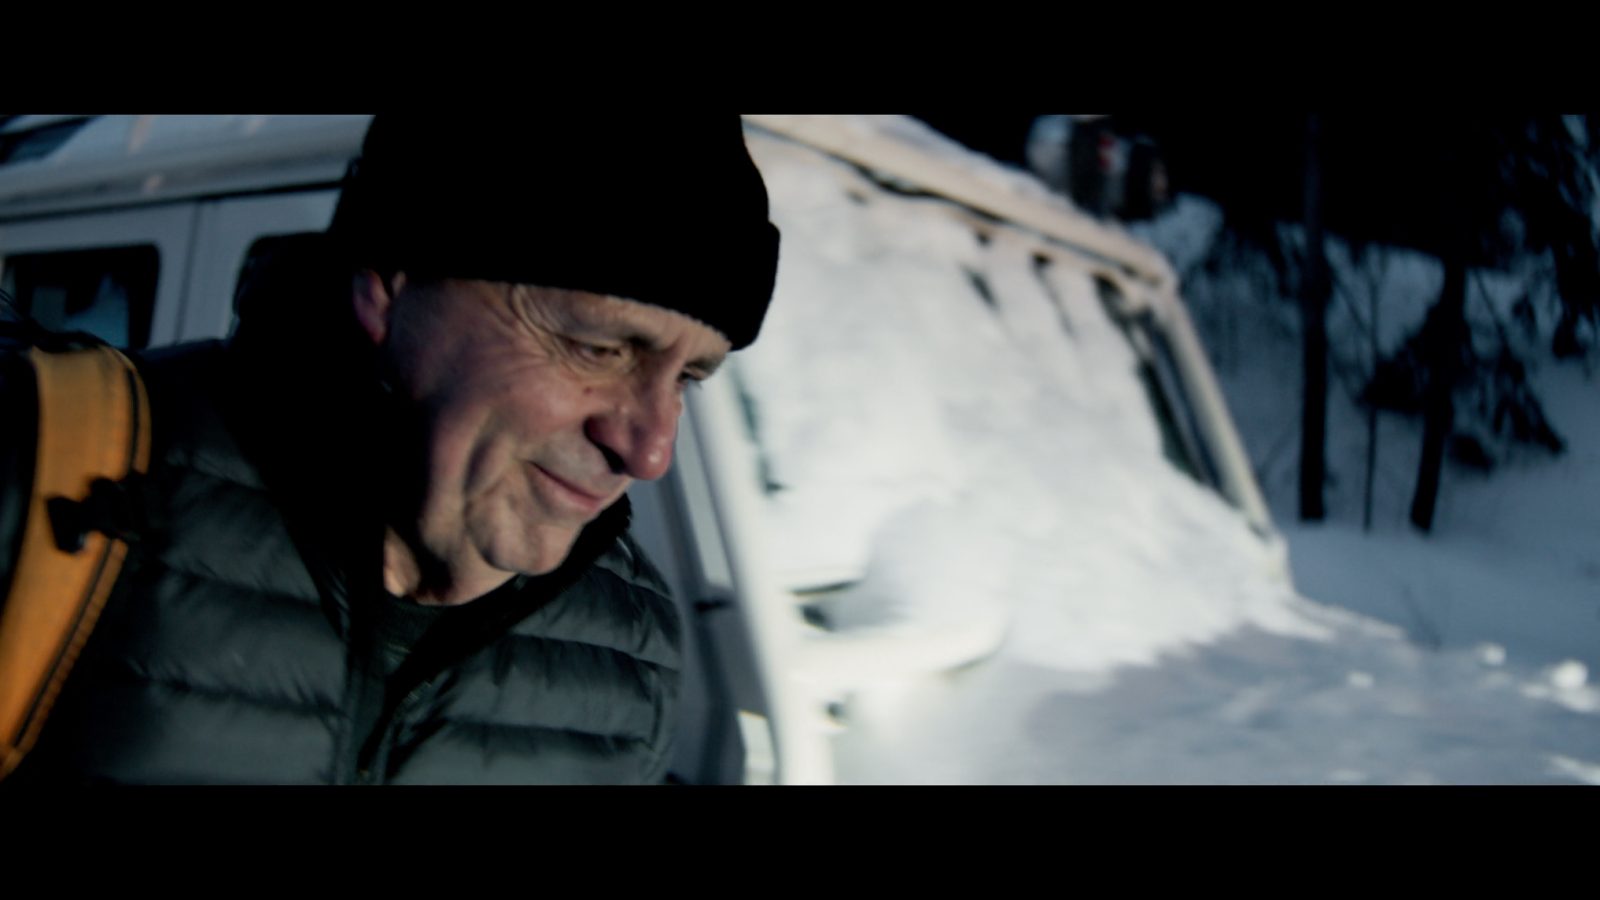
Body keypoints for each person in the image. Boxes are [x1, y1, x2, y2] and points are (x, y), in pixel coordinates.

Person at [2, 114, 780, 785]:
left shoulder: (630, 646)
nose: (650, 452)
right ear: (389, 286)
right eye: (599, 347)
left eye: (688, 378)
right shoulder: (58, 485)